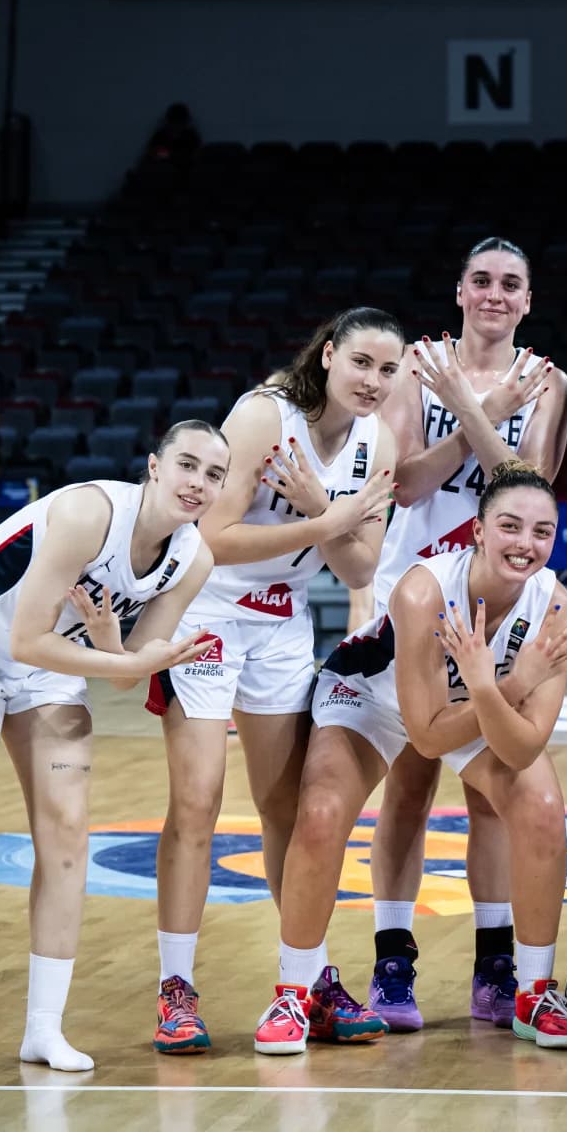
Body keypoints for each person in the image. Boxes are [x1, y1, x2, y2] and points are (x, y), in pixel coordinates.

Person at [0, 420, 231, 1082]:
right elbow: (25, 638)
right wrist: (121, 657)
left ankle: (44, 1029)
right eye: (187, 465)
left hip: (50, 663)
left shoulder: (192, 559)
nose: (198, 482)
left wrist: (117, 648)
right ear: (154, 467)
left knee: (68, 833)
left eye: (215, 474)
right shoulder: (89, 513)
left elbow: (125, 671)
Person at [143, 309, 402, 1054]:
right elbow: (212, 537)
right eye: (360, 362)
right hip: (206, 610)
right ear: (328, 355)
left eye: (388, 370)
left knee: (284, 807)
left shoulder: (379, 441)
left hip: (284, 620)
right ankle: (175, 988)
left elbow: (361, 568)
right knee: (197, 801)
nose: (373, 381)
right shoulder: (264, 415)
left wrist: (323, 508)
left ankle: (308, 980)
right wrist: (326, 524)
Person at [264, 460, 567, 1055]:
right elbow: (428, 738)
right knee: (322, 813)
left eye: (542, 532)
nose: (525, 543)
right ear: (478, 532)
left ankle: (533, 992)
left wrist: (492, 687)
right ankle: (295, 992)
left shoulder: (558, 613)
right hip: (372, 693)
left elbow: (523, 746)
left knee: (542, 807)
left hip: (471, 703)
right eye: (510, 526)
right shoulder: (424, 591)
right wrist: (513, 683)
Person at [367, 238, 567, 1032]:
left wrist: (468, 407)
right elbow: (406, 482)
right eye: (481, 280)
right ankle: (393, 960)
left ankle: (495, 964)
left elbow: (527, 489)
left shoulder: (547, 380)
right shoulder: (417, 368)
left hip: (503, 592)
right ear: (459, 291)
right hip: (419, 591)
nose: (494, 293)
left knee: (492, 792)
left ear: (528, 300)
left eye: (510, 283)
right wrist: (474, 413)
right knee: (410, 780)